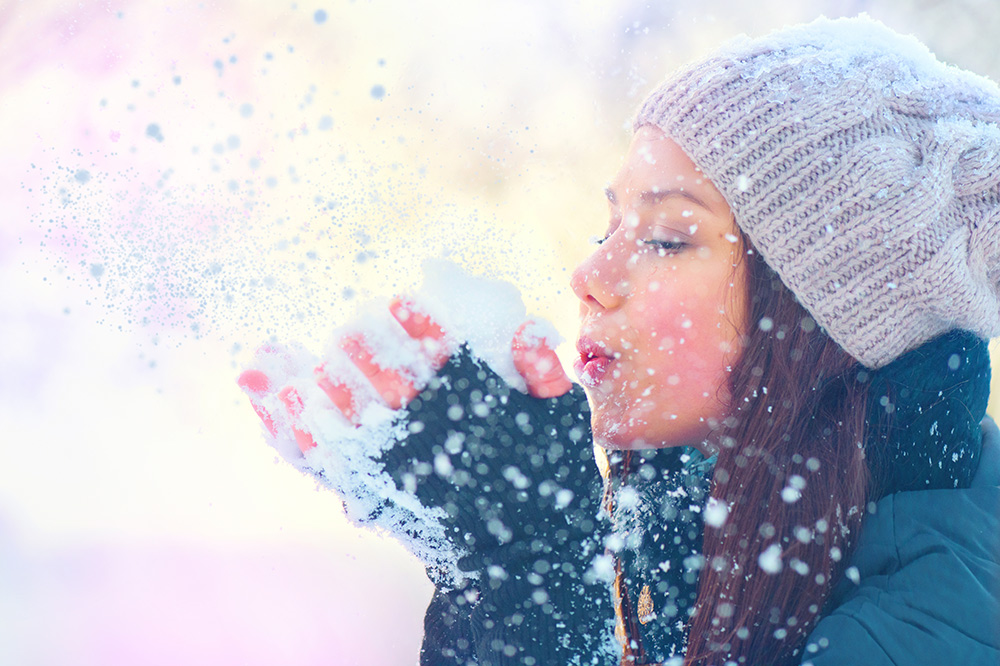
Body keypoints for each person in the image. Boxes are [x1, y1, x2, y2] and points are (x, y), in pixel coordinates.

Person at [238, 16, 1000, 666]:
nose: (590, 274)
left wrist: (532, 573)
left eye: (667, 238)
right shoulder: (726, 520)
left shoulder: (938, 628)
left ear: (826, 319)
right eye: (610, 227)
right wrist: (470, 557)